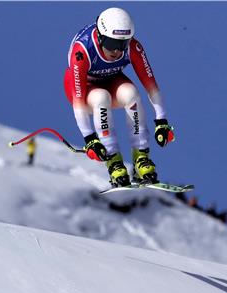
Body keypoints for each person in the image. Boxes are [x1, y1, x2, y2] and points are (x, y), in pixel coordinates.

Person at [64, 7, 175, 187]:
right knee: (101, 97)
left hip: (111, 79)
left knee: (131, 93)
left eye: (122, 44)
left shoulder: (133, 47)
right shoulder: (83, 51)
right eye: (110, 43)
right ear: (100, 37)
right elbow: (78, 102)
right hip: (84, 88)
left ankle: (141, 158)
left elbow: (151, 85)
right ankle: (114, 161)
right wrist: (90, 139)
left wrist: (161, 120)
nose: (116, 50)